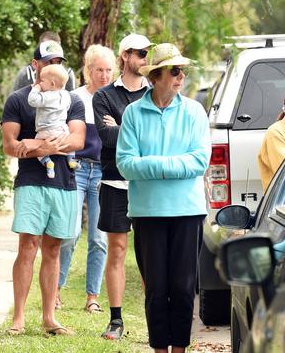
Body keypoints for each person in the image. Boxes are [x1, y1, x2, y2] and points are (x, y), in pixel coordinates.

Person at [116, 42, 211, 353]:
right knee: (156, 289)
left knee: (183, 289)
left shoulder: (195, 111)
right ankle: (159, 349)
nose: (181, 75)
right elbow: (126, 164)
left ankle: (180, 349)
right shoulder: (132, 113)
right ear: (156, 76)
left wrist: (152, 164)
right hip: (147, 212)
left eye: (182, 70)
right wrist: (172, 164)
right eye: (175, 70)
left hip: (188, 211)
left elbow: (199, 162)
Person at [1, 41, 85, 336]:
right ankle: (19, 318)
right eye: (49, 60)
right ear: (35, 64)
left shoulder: (72, 99)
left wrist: (36, 145)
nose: (54, 65)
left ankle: (49, 319)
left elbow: (78, 140)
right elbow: (10, 146)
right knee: (28, 247)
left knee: (53, 250)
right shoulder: (18, 100)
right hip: (31, 183)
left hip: (64, 183)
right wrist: (37, 148)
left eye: (59, 61)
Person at [92, 33, 152, 340]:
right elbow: (107, 138)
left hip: (146, 184)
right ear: (124, 56)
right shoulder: (103, 96)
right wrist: (137, 131)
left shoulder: (155, 93)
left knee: (148, 254)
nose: (145, 58)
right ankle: (115, 320)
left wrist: (122, 127)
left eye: (147, 53)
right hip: (115, 182)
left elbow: (155, 140)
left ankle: (153, 319)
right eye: (140, 53)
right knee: (116, 250)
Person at [57, 44, 115, 313]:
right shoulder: (73, 98)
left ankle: (92, 297)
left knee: (99, 238)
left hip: (103, 173)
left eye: (108, 70)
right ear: (88, 70)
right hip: (76, 168)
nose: (104, 75)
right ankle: (55, 290)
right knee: (68, 234)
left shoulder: (114, 98)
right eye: (99, 70)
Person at [28, 63, 78, 178]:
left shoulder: (47, 96)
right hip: (61, 130)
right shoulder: (66, 96)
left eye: (42, 81)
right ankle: (71, 159)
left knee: (36, 144)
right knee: (69, 139)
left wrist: (36, 88)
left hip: (45, 131)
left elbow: (32, 100)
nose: (40, 82)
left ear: (52, 84)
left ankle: (47, 162)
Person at [12, 31, 76, 92]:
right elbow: (16, 98)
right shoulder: (25, 73)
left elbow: (72, 99)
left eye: (55, 47)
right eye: (48, 47)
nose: (52, 50)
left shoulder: (68, 73)